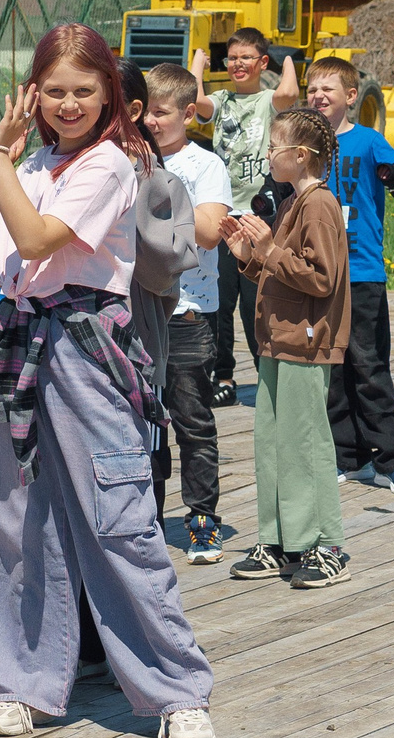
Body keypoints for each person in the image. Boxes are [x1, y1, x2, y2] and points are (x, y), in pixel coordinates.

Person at [0, 24, 217, 738]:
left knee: (120, 517)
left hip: (87, 348)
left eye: (84, 90)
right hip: (20, 340)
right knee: (16, 521)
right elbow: (4, 261)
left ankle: (178, 690)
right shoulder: (32, 163)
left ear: (111, 94)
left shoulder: (110, 164)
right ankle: (23, 683)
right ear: (33, 94)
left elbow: (42, 241)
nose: (68, 104)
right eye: (55, 91)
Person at [225, 108, 354, 587]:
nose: (266, 155)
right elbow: (282, 274)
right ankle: (280, 539)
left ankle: (325, 543)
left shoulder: (318, 205)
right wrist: (248, 256)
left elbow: (322, 279)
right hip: (278, 341)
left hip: (305, 342)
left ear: (300, 156)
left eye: (273, 148)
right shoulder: (290, 204)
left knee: (306, 443)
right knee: (272, 444)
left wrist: (269, 250)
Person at [306, 56, 394, 492]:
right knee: (331, 367)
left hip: (362, 270)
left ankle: (393, 459)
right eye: (312, 88)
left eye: (327, 89)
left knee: (369, 366)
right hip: (318, 274)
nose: (318, 96)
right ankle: (347, 455)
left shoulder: (368, 141)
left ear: (350, 97)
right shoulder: (306, 145)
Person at [139, 64, 234, 562]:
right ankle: (147, 517)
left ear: (188, 113)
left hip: (189, 311)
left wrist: (161, 187)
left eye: (160, 113)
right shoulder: (127, 159)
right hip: (137, 309)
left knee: (191, 420)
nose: (151, 122)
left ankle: (202, 516)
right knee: (143, 423)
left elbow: (210, 232)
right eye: (144, 112)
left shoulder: (205, 165)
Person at [195, 29, 298, 403]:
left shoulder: (269, 100)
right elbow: (195, 100)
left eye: (246, 57)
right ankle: (223, 376)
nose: (237, 64)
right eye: (232, 58)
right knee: (221, 301)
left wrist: (287, 58)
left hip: (259, 215)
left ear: (261, 63)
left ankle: (266, 372)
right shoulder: (221, 100)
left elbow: (289, 92)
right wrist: (199, 63)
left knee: (257, 298)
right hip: (224, 212)